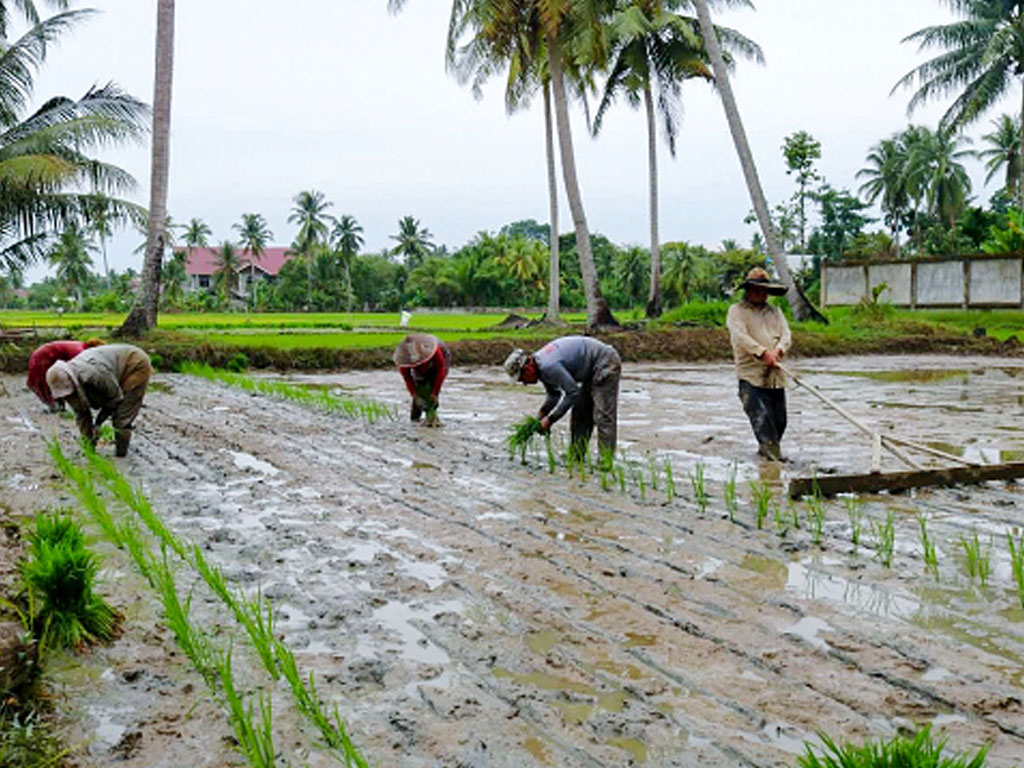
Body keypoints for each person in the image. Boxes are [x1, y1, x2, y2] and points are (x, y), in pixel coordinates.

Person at [504, 336, 621, 464]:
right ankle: (576, 457)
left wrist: (550, 419)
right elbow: (554, 395)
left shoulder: (548, 365)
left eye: (522, 378)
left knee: (603, 416)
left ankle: (606, 462)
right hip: (588, 372)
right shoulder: (540, 367)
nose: (524, 383)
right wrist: (539, 418)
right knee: (580, 414)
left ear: (527, 367)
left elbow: (573, 393)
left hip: (605, 362)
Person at [726, 266, 792, 461]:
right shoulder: (736, 312)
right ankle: (773, 465)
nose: (759, 293)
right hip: (751, 377)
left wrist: (778, 351)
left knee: (780, 422)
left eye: (763, 290)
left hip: (776, 377)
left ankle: (768, 459)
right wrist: (763, 353)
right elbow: (740, 337)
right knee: (763, 422)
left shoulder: (775, 312)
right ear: (747, 290)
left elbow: (786, 335)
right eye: (755, 289)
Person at [45, 343, 152, 457]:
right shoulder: (67, 383)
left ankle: (121, 455)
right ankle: (90, 448)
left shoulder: (93, 375)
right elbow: (81, 413)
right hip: (111, 371)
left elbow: (115, 398)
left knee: (122, 417)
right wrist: (88, 446)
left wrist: (98, 424)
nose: (68, 397)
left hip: (134, 365)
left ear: (73, 382)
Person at [26, 339, 104, 410]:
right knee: (46, 381)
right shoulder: (78, 351)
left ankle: (57, 404)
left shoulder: (81, 347)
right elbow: (77, 370)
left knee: (56, 380)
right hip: (43, 357)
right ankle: (53, 406)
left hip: (46, 357)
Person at [393, 333, 452, 427]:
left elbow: (440, 371)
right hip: (423, 365)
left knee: (430, 389)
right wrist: (415, 396)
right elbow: (408, 379)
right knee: (420, 388)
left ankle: (431, 416)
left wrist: (435, 393)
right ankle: (415, 418)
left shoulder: (435, 351)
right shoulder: (404, 359)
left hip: (440, 361)